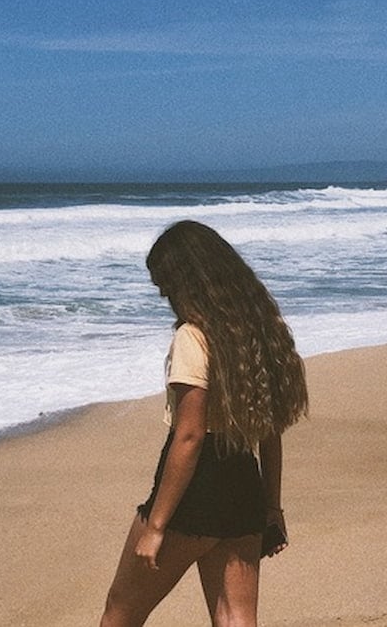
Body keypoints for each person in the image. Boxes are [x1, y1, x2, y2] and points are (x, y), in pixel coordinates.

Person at [100, 220, 309, 627]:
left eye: (166, 284)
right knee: (236, 618)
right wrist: (271, 505)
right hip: (244, 483)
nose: (164, 294)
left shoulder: (194, 338)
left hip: (194, 490)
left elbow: (191, 435)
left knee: (120, 613)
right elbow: (269, 430)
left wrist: (157, 525)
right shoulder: (259, 332)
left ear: (186, 280)